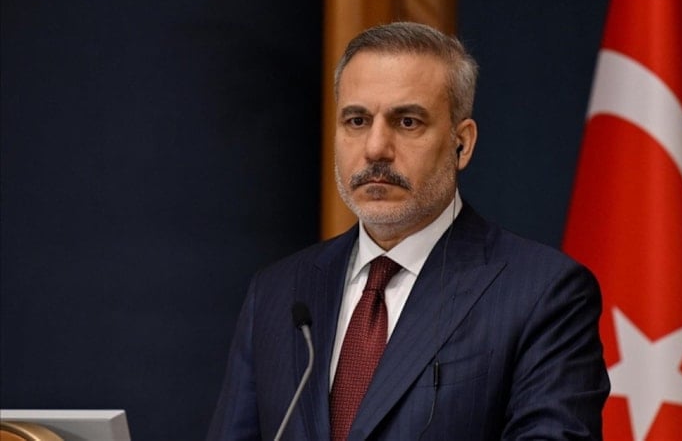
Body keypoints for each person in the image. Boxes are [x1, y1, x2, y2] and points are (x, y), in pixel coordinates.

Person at [207, 22, 609, 441]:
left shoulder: (544, 294)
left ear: (462, 143)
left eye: (407, 122)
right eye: (357, 120)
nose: (375, 148)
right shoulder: (278, 293)